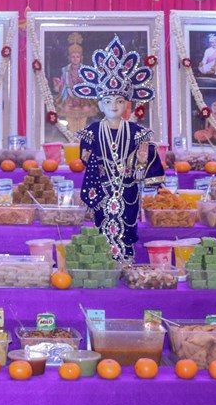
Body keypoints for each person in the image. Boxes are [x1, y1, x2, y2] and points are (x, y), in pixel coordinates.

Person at [73, 37, 165, 260]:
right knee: (100, 232)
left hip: (127, 192)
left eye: (119, 101)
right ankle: (103, 264)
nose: (113, 106)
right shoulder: (92, 131)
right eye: (108, 101)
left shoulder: (137, 133)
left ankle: (126, 263)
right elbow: (86, 161)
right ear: (99, 104)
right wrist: (90, 159)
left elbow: (145, 172)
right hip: (102, 191)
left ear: (127, 104)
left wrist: (140, 162)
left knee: (127, 232)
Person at [52, 33, 99, 134]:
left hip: (83, 101)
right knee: (71, 125)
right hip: (69, 100)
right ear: (69, 58)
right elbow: (62, 87)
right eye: (73, 56)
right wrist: (57, 86)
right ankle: (72, 139)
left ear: (81, 58)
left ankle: (81, 139)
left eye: (77, 56)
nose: (75, 59)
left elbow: (90, 85)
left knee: (82, 123)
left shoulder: (86, 71)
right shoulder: (65, 71)